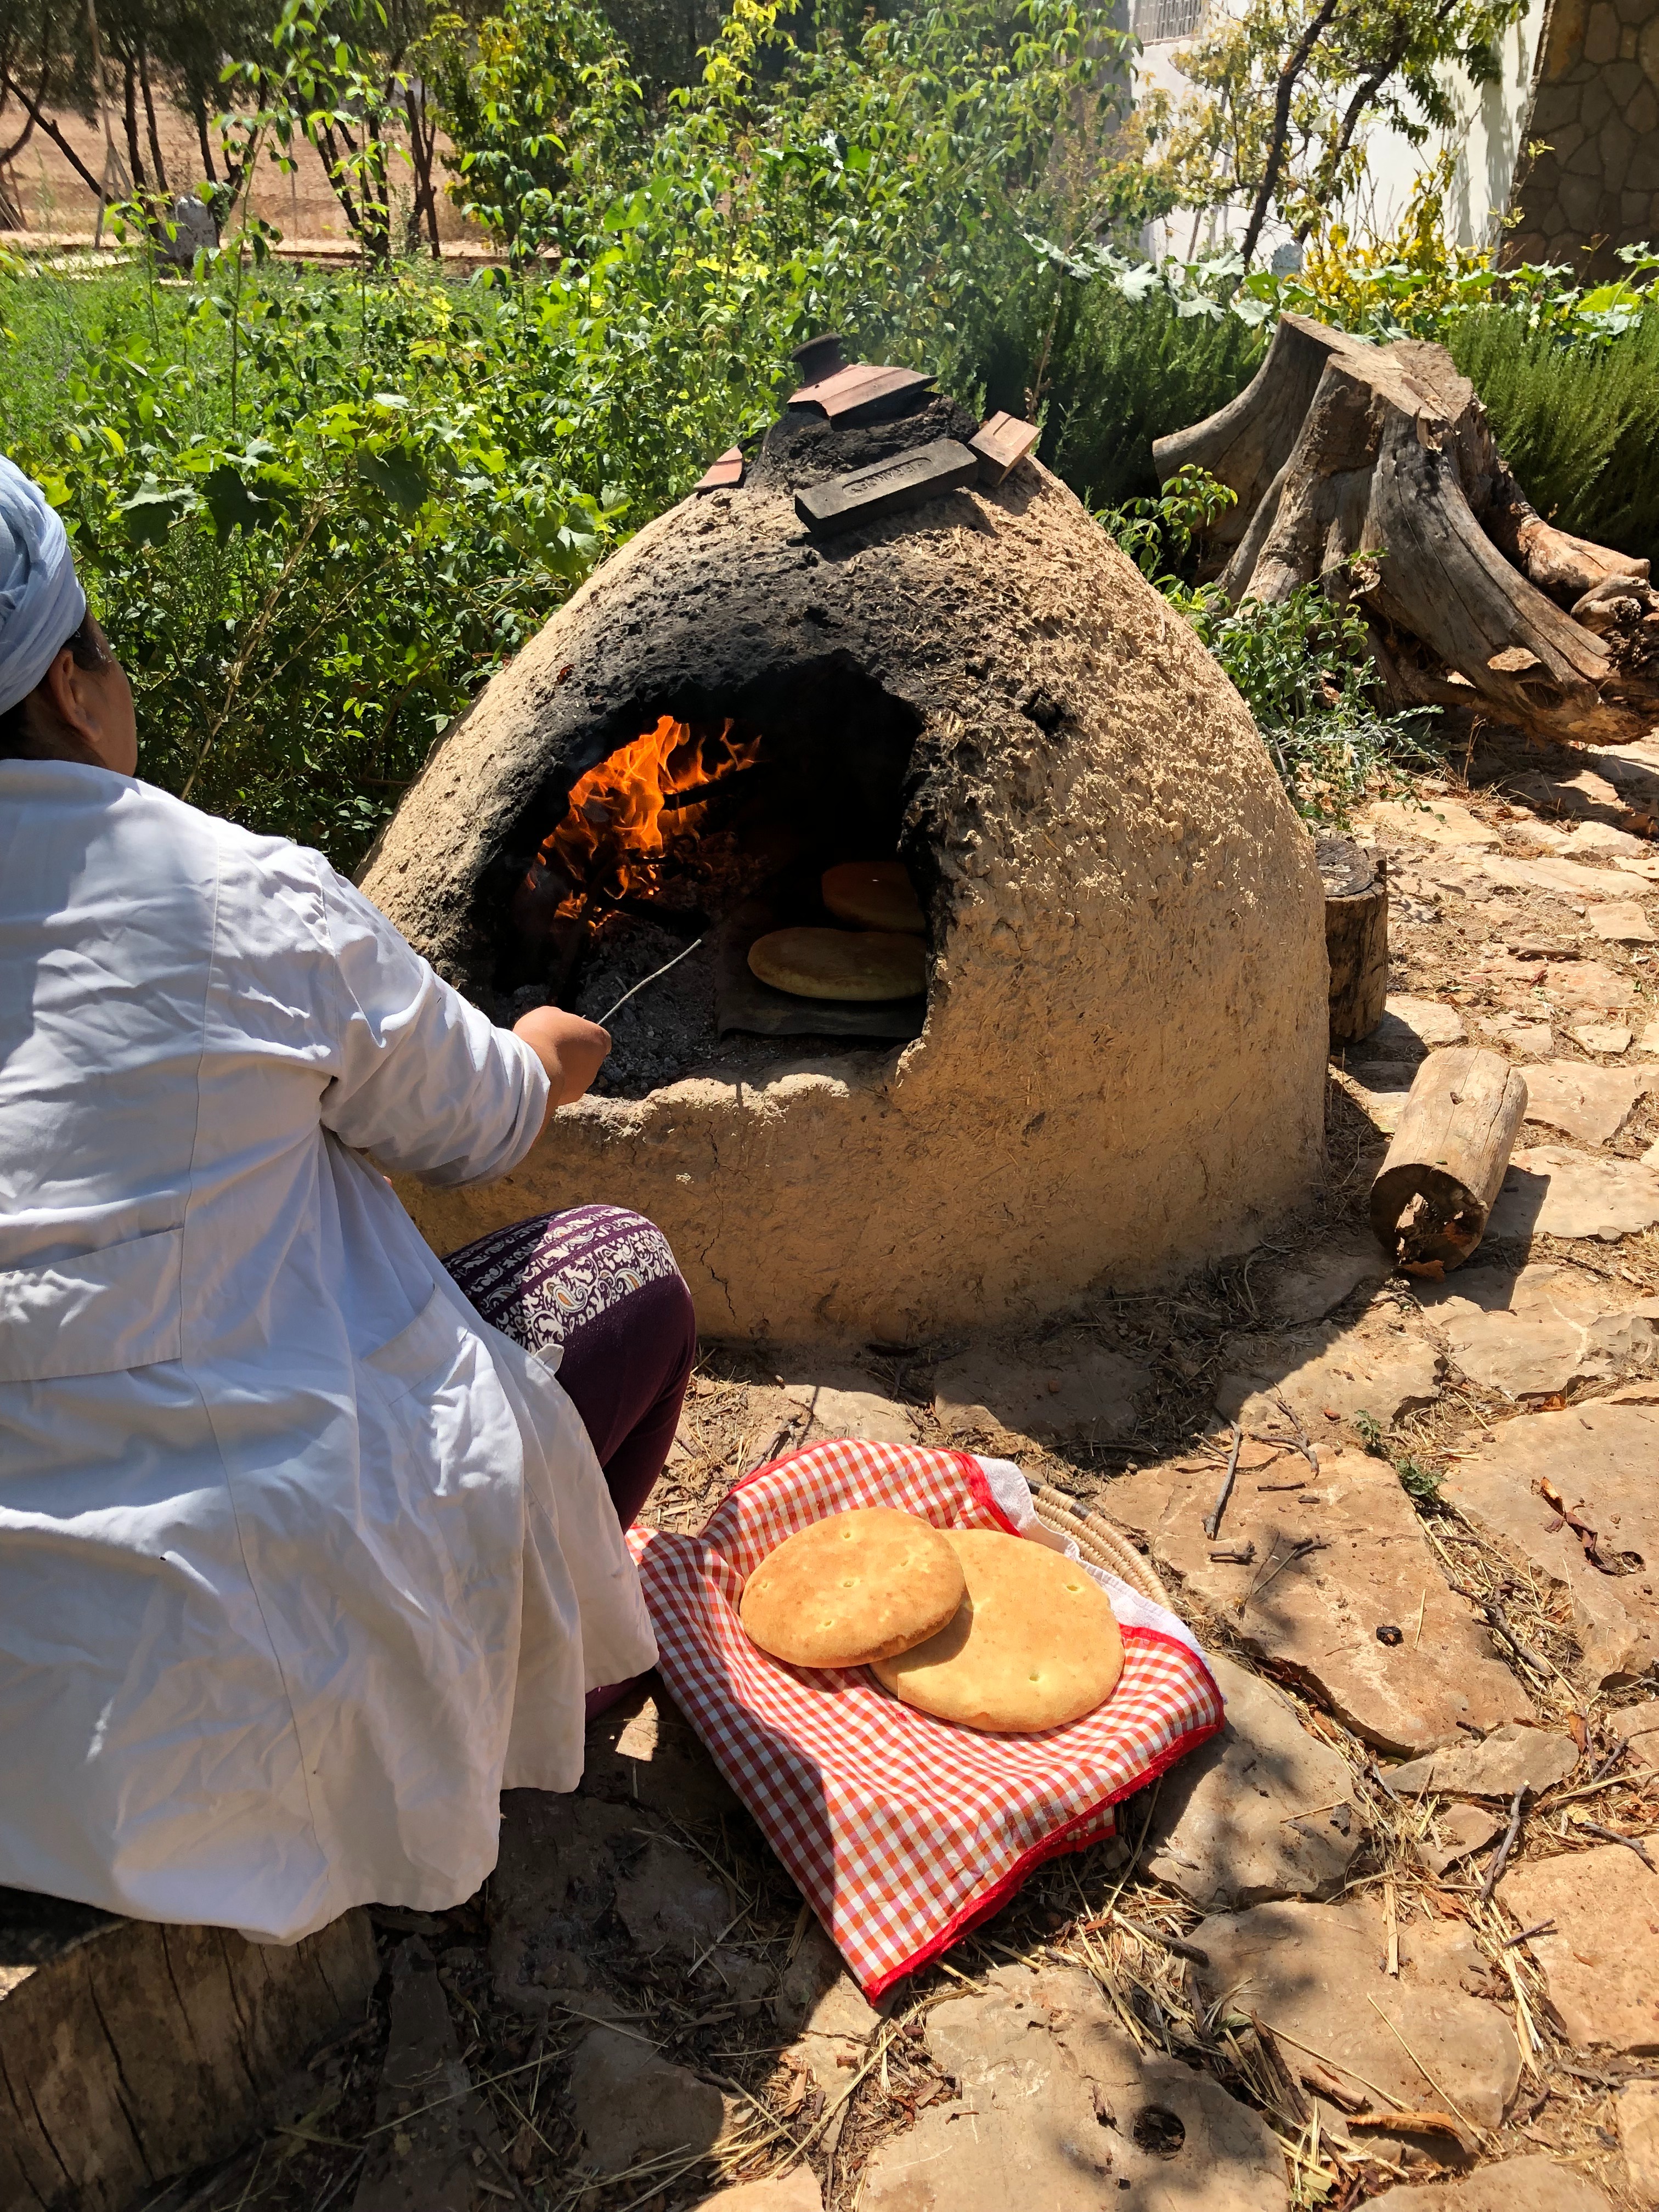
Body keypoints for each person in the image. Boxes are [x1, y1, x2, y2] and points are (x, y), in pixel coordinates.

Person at [0, 454, 696, 1943]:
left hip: (19, 1773)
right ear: (72, 682)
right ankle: (509, 1724)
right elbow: (479, 1132)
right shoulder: (236, 893)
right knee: (624, 1272)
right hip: (224, 1692)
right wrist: (545, 1054)